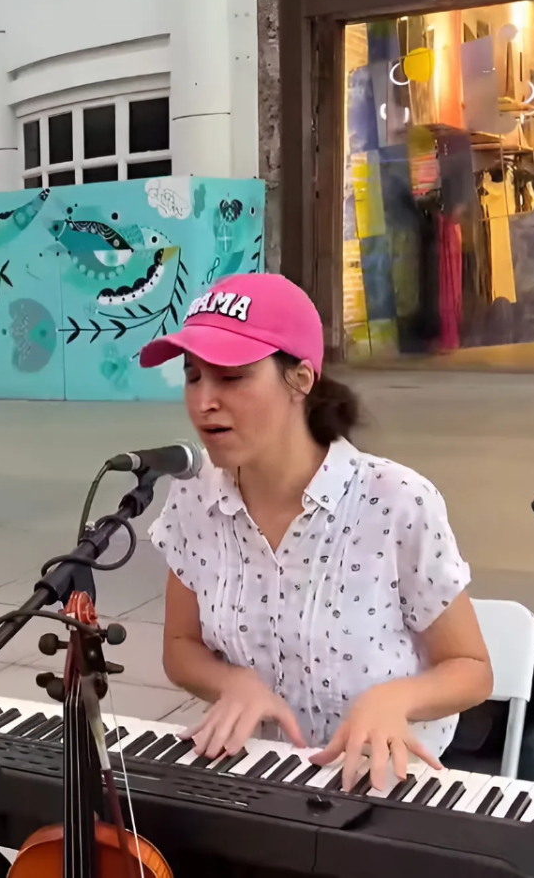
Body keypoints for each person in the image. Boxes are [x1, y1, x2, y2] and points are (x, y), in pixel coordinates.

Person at [140, 273, 493, 795]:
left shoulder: (395, 501)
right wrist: (232, 682)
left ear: (301, 379)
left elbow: (472, 668)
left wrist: (395, 700)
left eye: (231, 378)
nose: (203, 402)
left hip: (385, 783)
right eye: (193, 377)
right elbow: (181, 646)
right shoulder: (194, 499)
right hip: (253, 776)